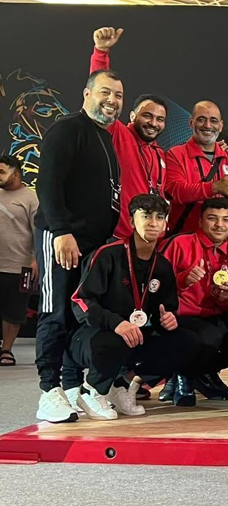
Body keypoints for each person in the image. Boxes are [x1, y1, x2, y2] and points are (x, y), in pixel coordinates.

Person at [34, 68, 123, 423]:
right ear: (87, 94)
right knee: (55, 312)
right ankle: (48, 390)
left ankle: (71, 387)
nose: (112, 100)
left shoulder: (105, 138)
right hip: (62, 237)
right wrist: (61, 231)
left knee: (77, 317)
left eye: (118, 95)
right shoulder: (67, 129)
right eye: (105, 92)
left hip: (91, 245)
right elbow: (48, 183)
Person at [69, 194, 199, 420]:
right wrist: (116, 323)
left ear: (166, 224)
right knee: (115, 339)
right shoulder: (109, 254)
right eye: (146, 216)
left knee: (186, 341)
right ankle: (92, 390)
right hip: (93, 336)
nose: (153, 223)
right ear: (131, 221)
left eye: (160, 217)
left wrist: (168, 318)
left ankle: (123, 384)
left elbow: (166, 308)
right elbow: (81, 301)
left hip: (134, 335)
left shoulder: (162, 266)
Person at [161, 198, 228, 405]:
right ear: (200, 221)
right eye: (212, 218)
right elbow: (155, 285)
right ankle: (184, 376)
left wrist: (227, 297)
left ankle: (202, 372)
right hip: (180, 317)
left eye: (226, 220)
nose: (219, 225)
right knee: (210, 336)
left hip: (213, 316)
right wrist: (183, 280)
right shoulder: (180, 244)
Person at [89, 26, 169, 240]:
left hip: (148, 240)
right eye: (147, 116)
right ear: (132, 116)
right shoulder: (119, 134)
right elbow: (101, 96)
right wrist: (101, 53)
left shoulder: (159, 154)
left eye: (160, 119)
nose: (153, 123)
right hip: (117, 237)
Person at [164, 100, 228, 236]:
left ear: (221, 126)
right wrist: (214, 187)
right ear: (191, 123)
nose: (207, 125)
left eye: (213, 121)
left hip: (219, 241)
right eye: (201, 119)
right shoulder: (176, 154)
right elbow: (174, 191)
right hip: (183, 240)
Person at [0, 155, 38, 367]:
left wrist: (37, 260)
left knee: (14, 311)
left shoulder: (31, 198)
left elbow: (39, 232)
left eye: (1, 172)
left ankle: (6, 350)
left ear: (16, 173)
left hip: (20, 265)